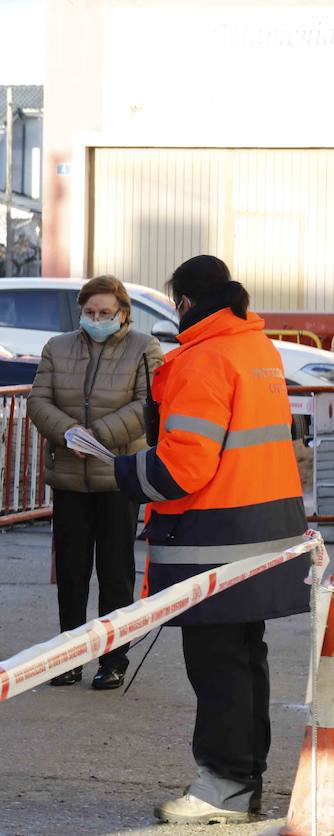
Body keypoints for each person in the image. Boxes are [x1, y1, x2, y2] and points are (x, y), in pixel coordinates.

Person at [113, 255, 308, 825]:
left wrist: (125, 474)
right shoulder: (258, 349)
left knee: (218, 665)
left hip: (216, 537)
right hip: (263, 533)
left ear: (183, 302)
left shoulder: (204, 359)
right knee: (244, 662)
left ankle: (222, 786)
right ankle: (241, 782)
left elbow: (184, 468)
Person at [28, 276, 163, 690]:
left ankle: (113, 658)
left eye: (106, 313)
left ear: (123, 313)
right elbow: (38, 400)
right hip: (69, 476)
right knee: (70, 573)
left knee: (115, 572)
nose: (97, 319)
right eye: (90, 312)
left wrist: (99, 434)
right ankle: (68, 657)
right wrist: (69, 432)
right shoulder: (58, 347)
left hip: (117, 478)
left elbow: (148, 403)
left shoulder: (145, 348)